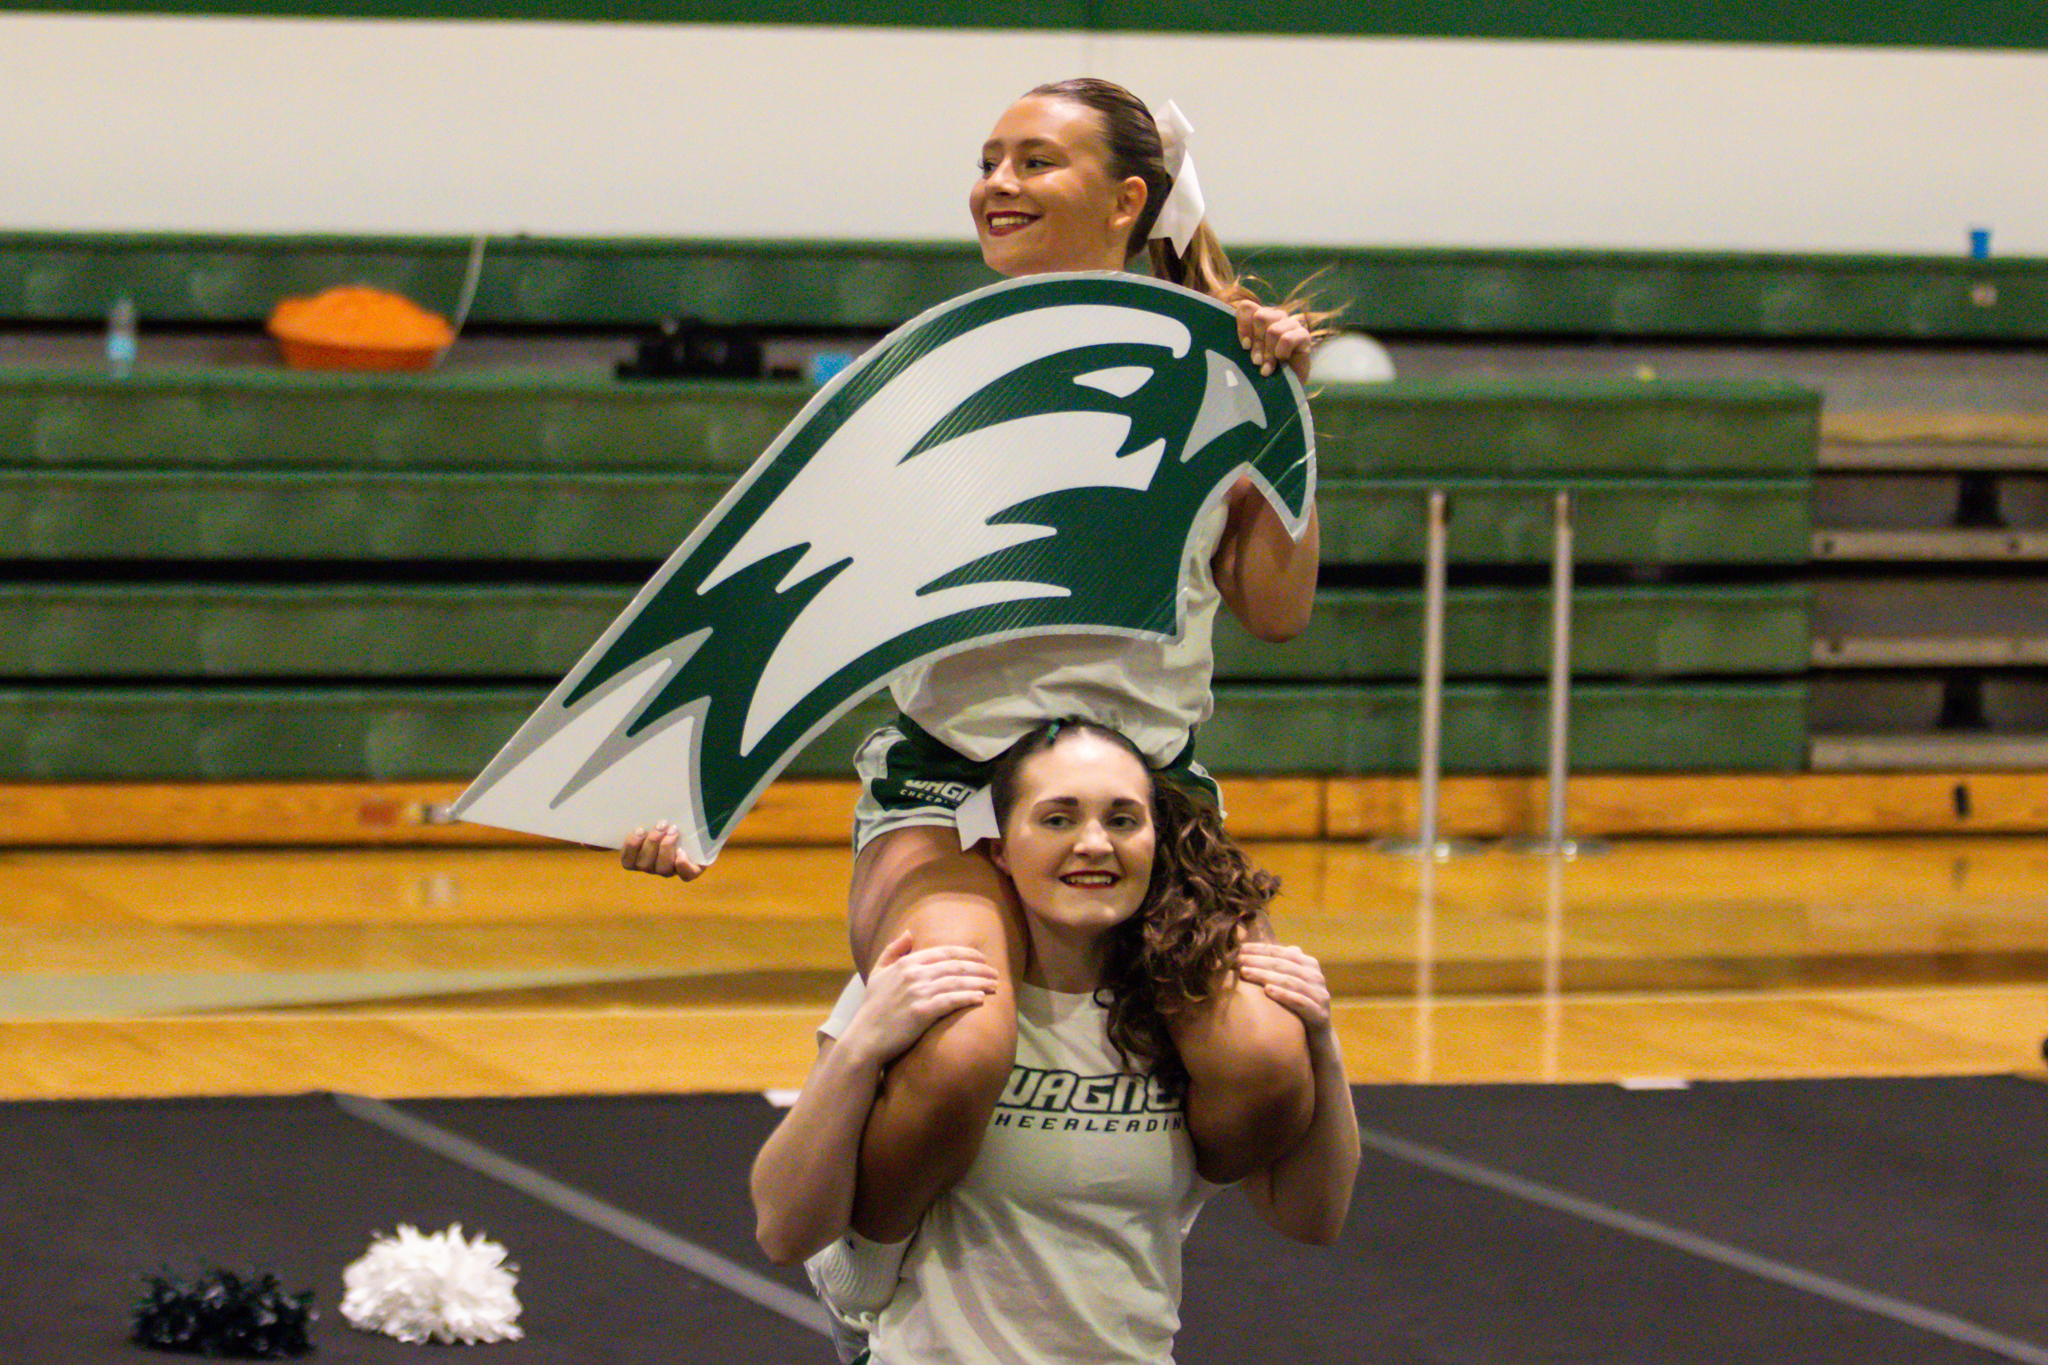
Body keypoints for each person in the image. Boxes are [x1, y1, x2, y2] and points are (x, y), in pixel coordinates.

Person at [624, 78, 1334, 1242]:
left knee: (1261, 1068)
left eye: (1033, 162)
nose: (996, 184)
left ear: (1126, 199)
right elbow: (802, 597)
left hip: (1146, 801)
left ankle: (1090, 1228)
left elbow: (1275, 612)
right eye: (988, 160)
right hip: (949, 793)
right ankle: (875, 1293)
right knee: (958, 1049)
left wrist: (1280, 413)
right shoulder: (928, 379)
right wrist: (689, 795)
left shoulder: (1225, 369)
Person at [750, 719, 1361, 1364]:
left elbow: (1313, 1217)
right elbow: (783, 1228)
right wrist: (858, 1048)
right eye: (1058, 820)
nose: (1094, 844)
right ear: (999, 848)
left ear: (1156, 844)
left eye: (1123, 821)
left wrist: (1322, 1040)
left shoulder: (1185, 1015)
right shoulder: (935, 985)